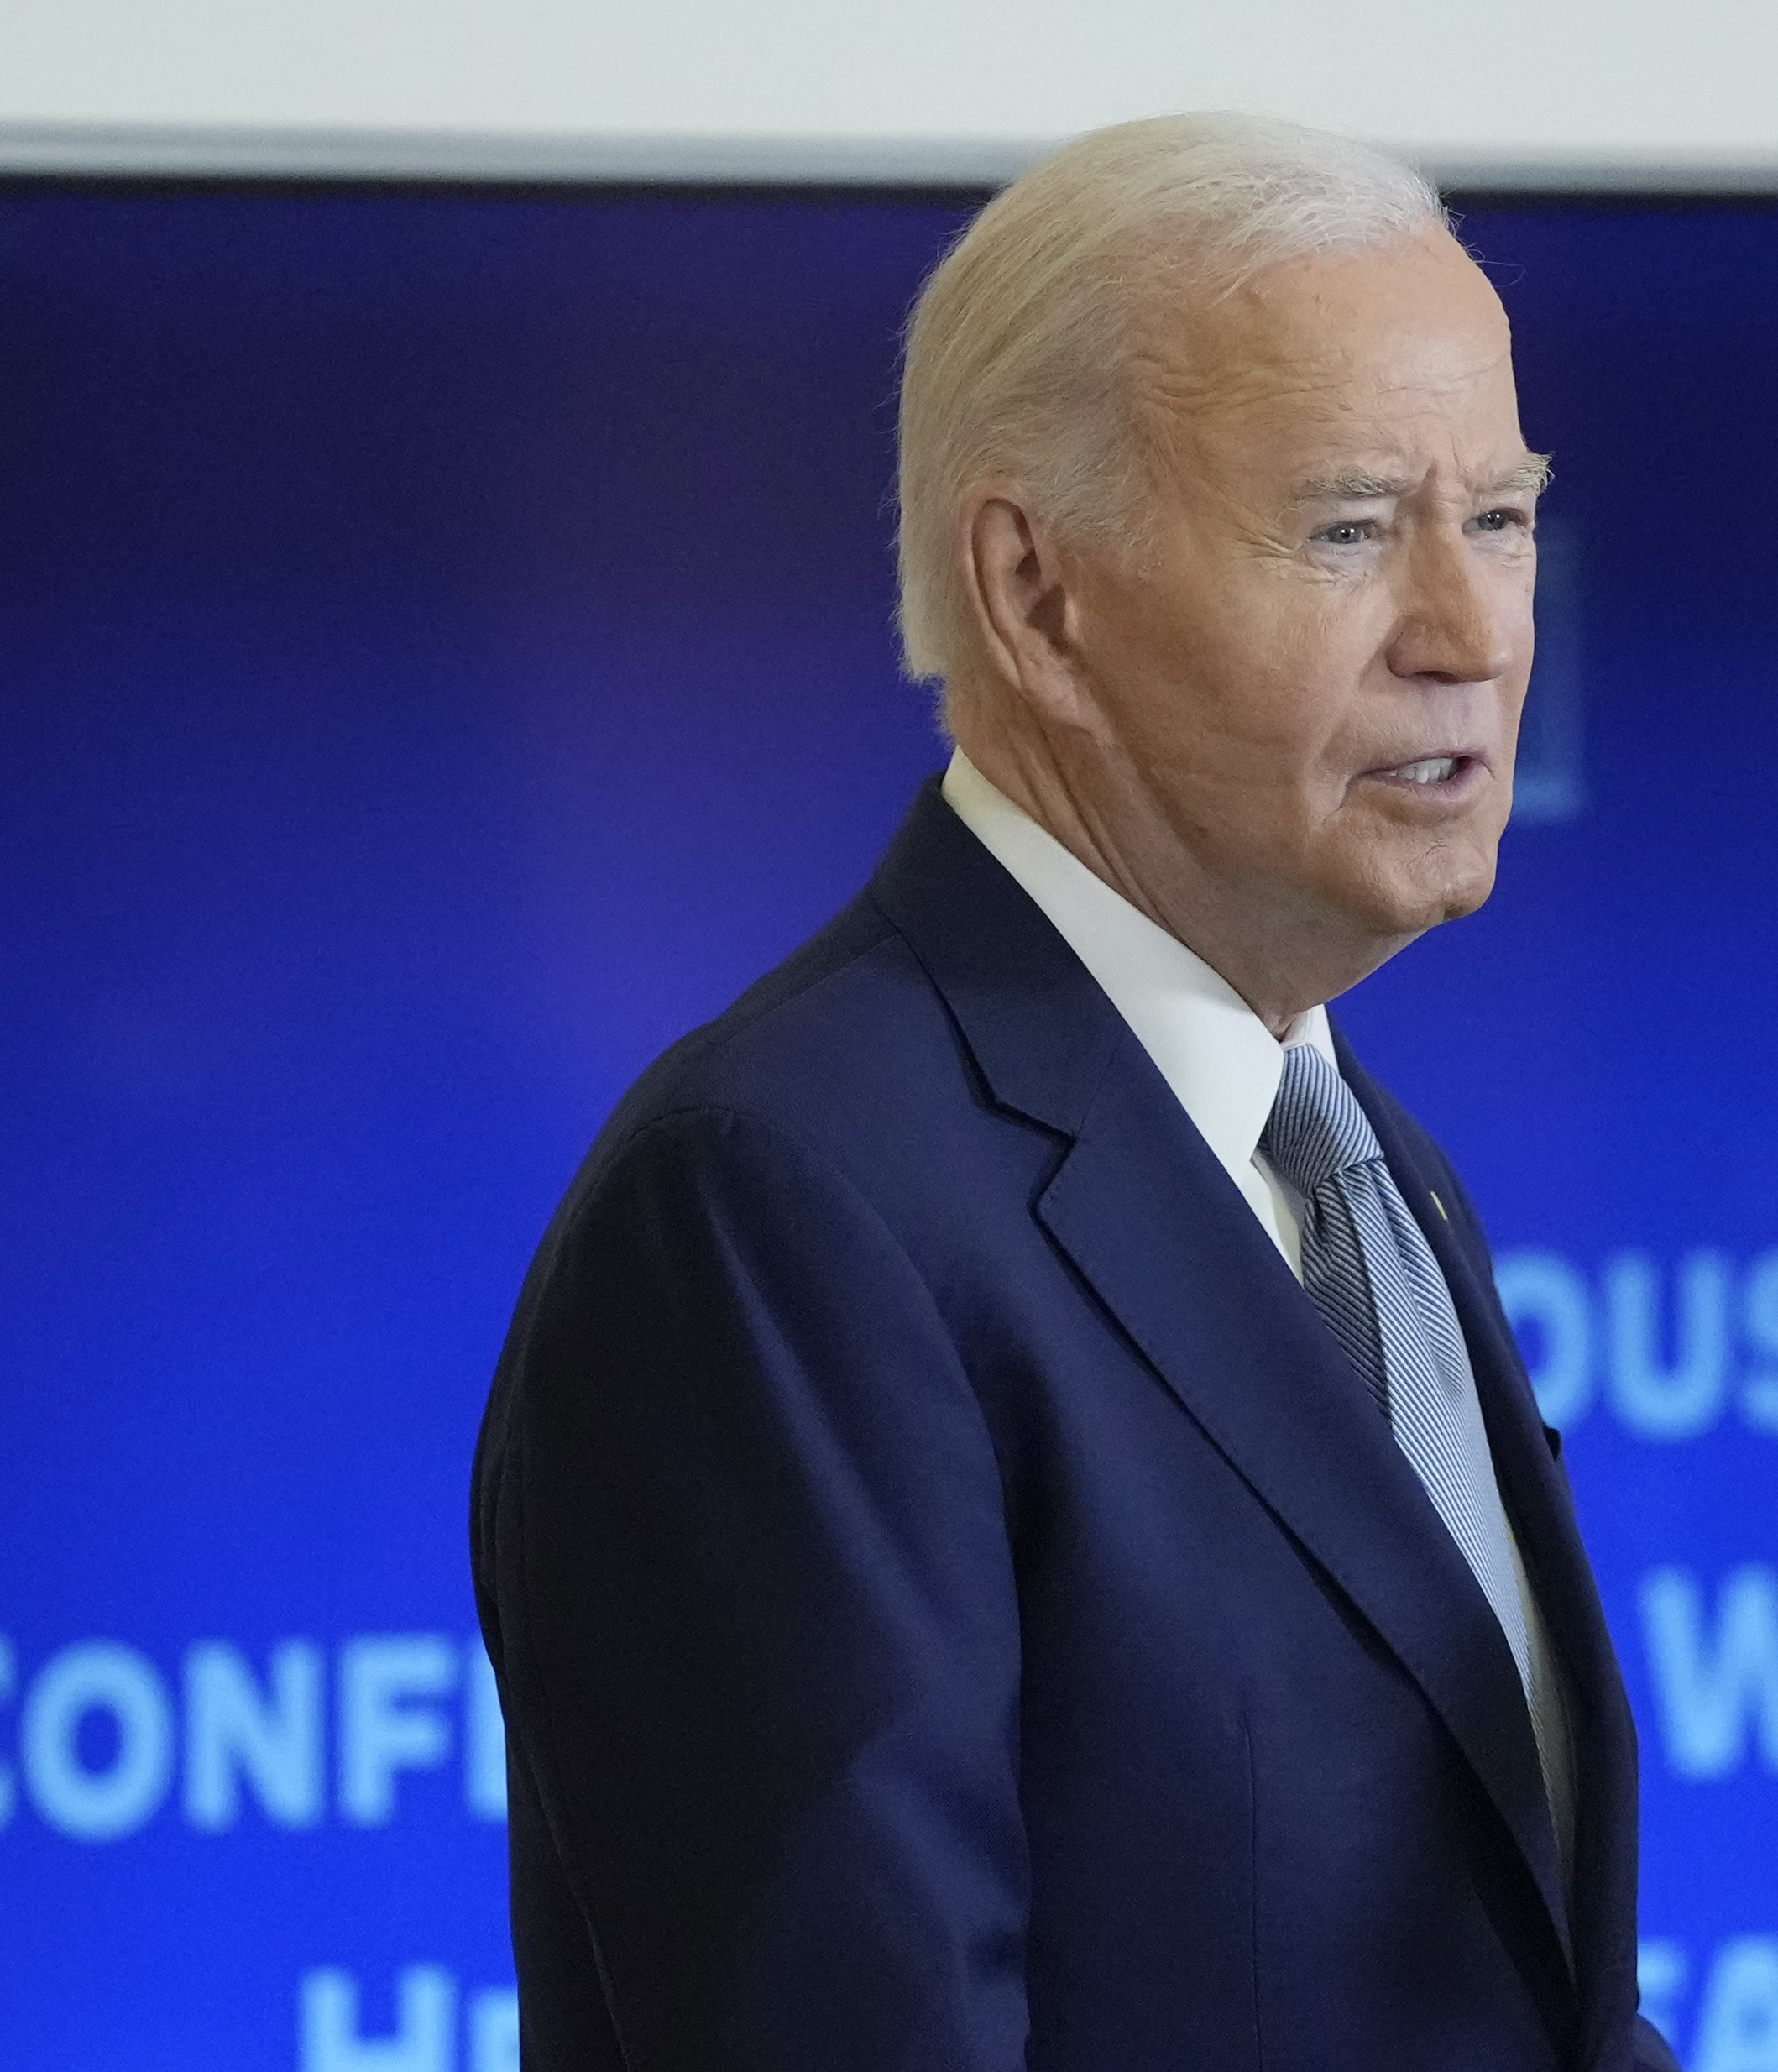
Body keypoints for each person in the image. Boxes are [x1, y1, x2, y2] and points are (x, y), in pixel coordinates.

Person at [471, 112, 1680, 2072]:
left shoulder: (1369, 1171)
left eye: (1509, 518)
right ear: (1039, 597)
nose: (1473, 635)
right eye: (1353, 527)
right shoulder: (784, 1208)